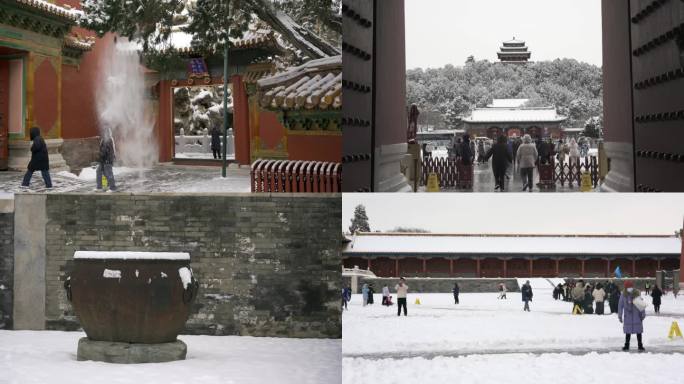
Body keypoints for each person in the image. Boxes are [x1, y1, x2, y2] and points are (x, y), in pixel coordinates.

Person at [618, 281, 646, 351]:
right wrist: (620, 315)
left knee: (638, 332)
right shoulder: (623, 295)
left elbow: (641, 305)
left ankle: (640, 345)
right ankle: (626, 345)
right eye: (628, 287)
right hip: (628, 317)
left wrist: (643, 314)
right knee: (628, 332)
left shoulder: (636, 295)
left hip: (637, 316)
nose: (629, 288)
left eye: (630, 287)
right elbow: (620, 306)